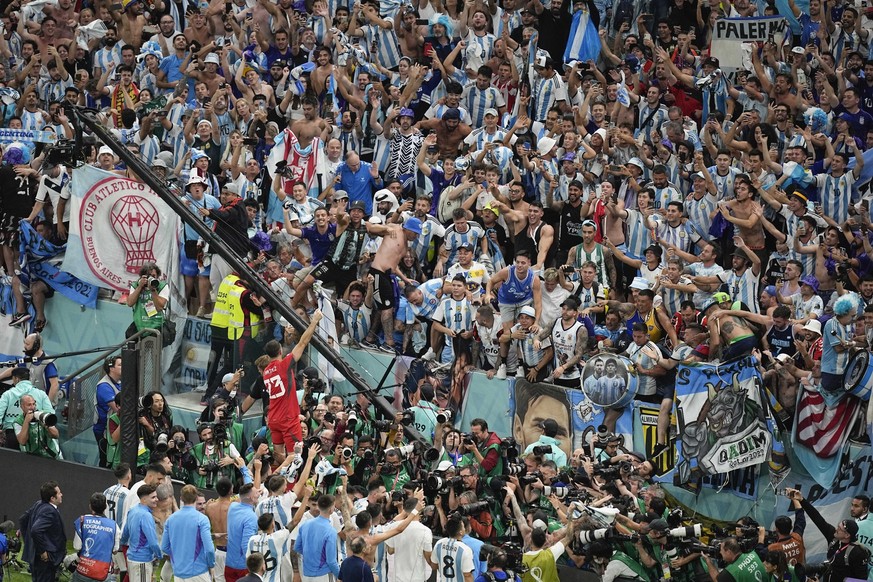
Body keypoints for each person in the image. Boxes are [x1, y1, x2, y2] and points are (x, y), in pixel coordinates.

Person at [262, 310, 323, 462]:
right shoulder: (284, 366)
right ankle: (290, 482)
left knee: (279, 455)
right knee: (295, 457)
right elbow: (303, 342)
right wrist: (314, 321)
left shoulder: (266, 372)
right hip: (288, 418)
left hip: (273, 418)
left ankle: (280, 476)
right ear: (280, 351)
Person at [359, 216, 423, 353]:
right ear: (408, 229)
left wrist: (405, 279)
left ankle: (370, 338)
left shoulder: (406, 244)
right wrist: (385, 228)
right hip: (378, 273)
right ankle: (389, 342)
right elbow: (369, 226)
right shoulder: (394, 229)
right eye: (415, 233)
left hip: (389, 275)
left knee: (386, 308)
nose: (416, 236)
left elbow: (394, 264)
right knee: (386, 308)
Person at [162, 484, 216, 582]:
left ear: (181, 498)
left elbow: (164, 547)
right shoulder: (202, 519)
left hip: (179, 572)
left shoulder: (171, 519)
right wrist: (211, 565)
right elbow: (209, 549)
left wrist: (178, 558)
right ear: (196, 498)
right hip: (198, 572)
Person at [19, 481, 66, 582]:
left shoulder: (38, 504)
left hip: (36, 558)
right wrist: (42, 551)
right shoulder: (49, 510)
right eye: (59, 493)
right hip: (45, 560)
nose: (61, 495)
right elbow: (36, 530)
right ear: (52, 498)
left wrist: (29, 543)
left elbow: (23, 520)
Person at [0, 368, 54, 451]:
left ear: (16, 379)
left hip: (12, 434)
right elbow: (50, 414)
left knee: (11, 462)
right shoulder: (41, 394)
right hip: (36, 434)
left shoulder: (8, 394)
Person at [71, 493, 120, 582]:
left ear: (90, 506)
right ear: (105, 506)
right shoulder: (114, 525)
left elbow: (76, 547)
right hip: (103, 573)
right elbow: (115, 550)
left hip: (83, 571)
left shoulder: (82, 520)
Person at [385, 496, 433, 582]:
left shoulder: (394, 526)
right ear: (419, 510)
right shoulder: (426, 531)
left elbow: (390, 550)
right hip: (416, 578)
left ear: (404, 509)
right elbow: (429, 559)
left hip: (397, 578)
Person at [295, 493, 341, 582]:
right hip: (322, 575)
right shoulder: (330, 531)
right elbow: (331, 561)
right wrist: (341, 576)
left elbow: (297, 547)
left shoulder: (305, 525)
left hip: (306, 573)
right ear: (331, 509)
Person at [121, 484, 162, 582]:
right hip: (142, 561)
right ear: (143, 500)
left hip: (132, 558)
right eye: (153, 497)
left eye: (156, 496)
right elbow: (153, 542)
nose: (156, 499)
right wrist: (159, 555)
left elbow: (125, 535)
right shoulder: (146, 516)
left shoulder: (132, 510)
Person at [226, 483, 260, 582]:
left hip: (229, 564)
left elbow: (242, 494)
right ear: (250, 497)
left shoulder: (232, 506)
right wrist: (254, 568)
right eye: (256, 493)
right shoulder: (251, 517)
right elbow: (246, 545)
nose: (258, 494)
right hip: (243, 568)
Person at [125, 262, 169, 337]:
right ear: (142, 277)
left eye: (153, 276)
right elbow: (130, 303)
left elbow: (159, 307)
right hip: (139, 325)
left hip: (157, 326)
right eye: (148, 276)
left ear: (157, 276)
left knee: (154, 347)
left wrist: (153, 290)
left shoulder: (162, 286)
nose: (151, 278)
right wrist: (140, 287)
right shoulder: (136, 285)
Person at [94, 355, 122, 468]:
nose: (124, 367)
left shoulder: (120, 383)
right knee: (106, 459)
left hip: (117, 426)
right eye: (120, 365)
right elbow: (118, 408)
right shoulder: (103, 386)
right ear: (111, 368)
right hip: (104, 430)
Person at [14, 393, 61, 458]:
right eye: (29, 405)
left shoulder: (44, 415)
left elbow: (56, 435)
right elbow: (22, 441)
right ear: (22, 407)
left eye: (33, 404)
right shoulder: (18, 421)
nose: (32, 407)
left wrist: (47, 426)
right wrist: (26, 422)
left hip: (49, 455)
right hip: (31, 458)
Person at [431, 515, 475, 582]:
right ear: (460, 532)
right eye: (463, 527)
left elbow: (433, 566)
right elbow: (467, 575)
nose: (464, 529)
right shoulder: (465, 549)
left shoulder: (439, 543)